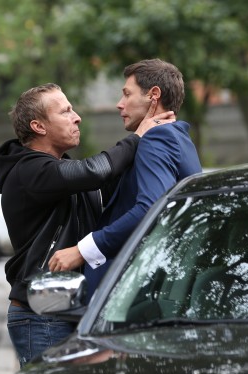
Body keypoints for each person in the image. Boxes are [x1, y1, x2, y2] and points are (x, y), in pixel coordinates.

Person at [0, 83, 174, 368]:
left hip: (74, 311)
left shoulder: (60, 171)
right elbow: (95, 171)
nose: (77, 117)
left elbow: (111, 182)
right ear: (38, 126)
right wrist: (138, 136)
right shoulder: (28, 171)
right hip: (43, 315)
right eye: (65, 111)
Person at [49, 59, 202, 297]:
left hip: (141, 291)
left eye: (127, 94)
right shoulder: (180, 137)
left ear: (153, 95)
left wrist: (83, 250)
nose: (119, 104)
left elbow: (151, 208)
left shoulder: (157, 138)